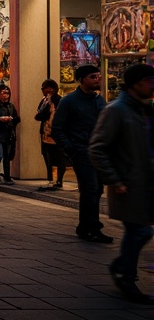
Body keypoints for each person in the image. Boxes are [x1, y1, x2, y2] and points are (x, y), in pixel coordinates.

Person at [88, 63, 154, 304]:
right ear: (136, 83)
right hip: (127, 184)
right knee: (140, 231)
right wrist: (114, 180)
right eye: (148, 81)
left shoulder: (143, 110)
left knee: (139, 231)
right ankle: (126, 276)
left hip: (144, 183)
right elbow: (97, 148)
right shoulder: (117, 110)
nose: (152, 86)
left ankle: (122, 266)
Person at [53, 63, 111, 243]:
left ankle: (88, 226)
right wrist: (71, 148)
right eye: (92, 77)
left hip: (98, 150)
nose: (97, 80)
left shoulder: (99, 100)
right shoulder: (69, 101)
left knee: (97, 189)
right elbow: (57, 128)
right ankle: (90, 227)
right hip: (81, 150)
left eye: (98, 77)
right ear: (82, 80)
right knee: (90, 189)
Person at [34, 79, 67, 191]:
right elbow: (38, 116)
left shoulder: (60, 100)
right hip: (45, 133)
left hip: (56, 134)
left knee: (59, 158)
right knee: (47, 157)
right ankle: (51, 180)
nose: (43, 90)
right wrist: (45, 105)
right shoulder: (44, 101)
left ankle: (58, 181)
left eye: (45, 88)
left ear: (51, 89)